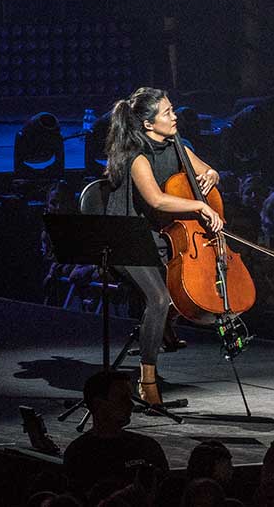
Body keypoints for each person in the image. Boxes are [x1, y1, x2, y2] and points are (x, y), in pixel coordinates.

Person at [105, 87, 224, 405]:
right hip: (127, 237)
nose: (175, 116)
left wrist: (211, 176)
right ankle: (148, 380)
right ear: (148, 124)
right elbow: (156, 199)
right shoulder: (136, 156)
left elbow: (208, 170)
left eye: (173, 110)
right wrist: (200, 207)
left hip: (158, 236)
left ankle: (162, 331)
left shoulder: (178, 146)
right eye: (168, 112)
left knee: (174, 293)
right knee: (159, 298)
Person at [62, 371, 168, 496]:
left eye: (130, 398)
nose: (131, 405)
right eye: (122, 399)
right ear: (98, 404)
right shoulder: (80, 452)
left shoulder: (147, 446)